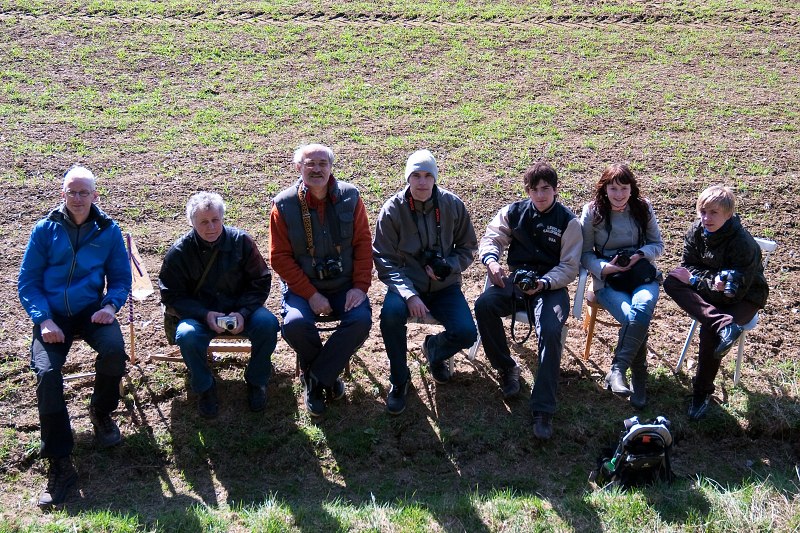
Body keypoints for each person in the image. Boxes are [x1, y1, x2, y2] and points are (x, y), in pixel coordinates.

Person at [18, 165, 132, 509]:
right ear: (62, 194)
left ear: (95, 196)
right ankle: (60, 464)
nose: (78, 198)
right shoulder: (45, 230)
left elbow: (121, 279)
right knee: (48, 375)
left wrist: (111, 307)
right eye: (72, 192)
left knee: (114, 350)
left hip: (91, 310)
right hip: (53, 317)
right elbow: (28, 283)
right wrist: (44, 319)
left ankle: (101, 412)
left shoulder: (108, 230)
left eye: (84, 192)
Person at [474, 162, 581, 440]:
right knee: (484, 305)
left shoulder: (568, 222)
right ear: (527, 191)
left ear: (556, 190)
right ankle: (507, 368)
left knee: (550, 329)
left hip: (550, 287)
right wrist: (492, 261)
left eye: (546, 189)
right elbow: (491, 237)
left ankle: (543, 409)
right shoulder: (513, 212)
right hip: (517, 282)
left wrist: (544, 283)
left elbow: (570, 266)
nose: (540, 195)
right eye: (534, 189)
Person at [270, 143, 373, 417]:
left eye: (322, 163)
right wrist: (310, 293)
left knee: (361, 320)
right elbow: (279, 258)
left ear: (331, 167)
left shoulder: (351, 197)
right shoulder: (284, 204)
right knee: (294, 324)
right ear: (298, 167)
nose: (317, 169)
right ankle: (327, 375)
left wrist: (360, 287)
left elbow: (363, 244)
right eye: (310, 163)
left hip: (345, 285)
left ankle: (314, 379)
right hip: (303, 289)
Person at [373, 150, 478, 414]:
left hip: (445, 287)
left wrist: (449, 266)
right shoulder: (393, 209)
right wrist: (409, 294)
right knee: (390, 316)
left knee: (466, 332)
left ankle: (434, 349)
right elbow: (384, 259)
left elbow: (468, 247)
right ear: (408, 178)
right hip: (407, 284)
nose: (421, 182)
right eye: (416, 176)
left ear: (435, 178)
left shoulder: (453, 205)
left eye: (427, 176)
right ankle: (399, 379)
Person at [158, 192, 279, 418]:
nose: (211, 226)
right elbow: (171, 295)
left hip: (242, 310)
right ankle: (204, 386)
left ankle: (257, 380)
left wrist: (243, 312)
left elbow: (260, 280)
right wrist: (205, 315)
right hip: (200, 315)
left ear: (223, 218)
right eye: (204, 221)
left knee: (268, 325)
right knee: (186, 335)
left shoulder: (241, 242)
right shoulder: (179, 252)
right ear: (192, 222)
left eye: (215, 220)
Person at [664, 185, 769, 421]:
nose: (706, 218)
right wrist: (707, 281)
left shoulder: (744, 243)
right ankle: (725, 325)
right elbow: (687, 266)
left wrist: (699, 281)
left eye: (713, 213)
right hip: (712, 293)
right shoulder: (696, 231)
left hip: (745, 298)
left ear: (728, 214)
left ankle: (701, 393)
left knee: (709, 332)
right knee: (671, 281)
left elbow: (735, 293)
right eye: (703, 211)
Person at [579, 163, 664, 409]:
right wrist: (607, 268)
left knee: (642, 306)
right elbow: (584, 254)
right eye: (613, 188)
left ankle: (618, 370)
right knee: (633, 317)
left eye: (624, 188)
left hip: (641, 275)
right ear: (604, 189)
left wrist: (638, 254)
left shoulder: (642, 208)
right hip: (608, 280)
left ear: (632, 189)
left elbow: (657, 244)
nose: (618, 195)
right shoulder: (592, 212)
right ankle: (638, 376)